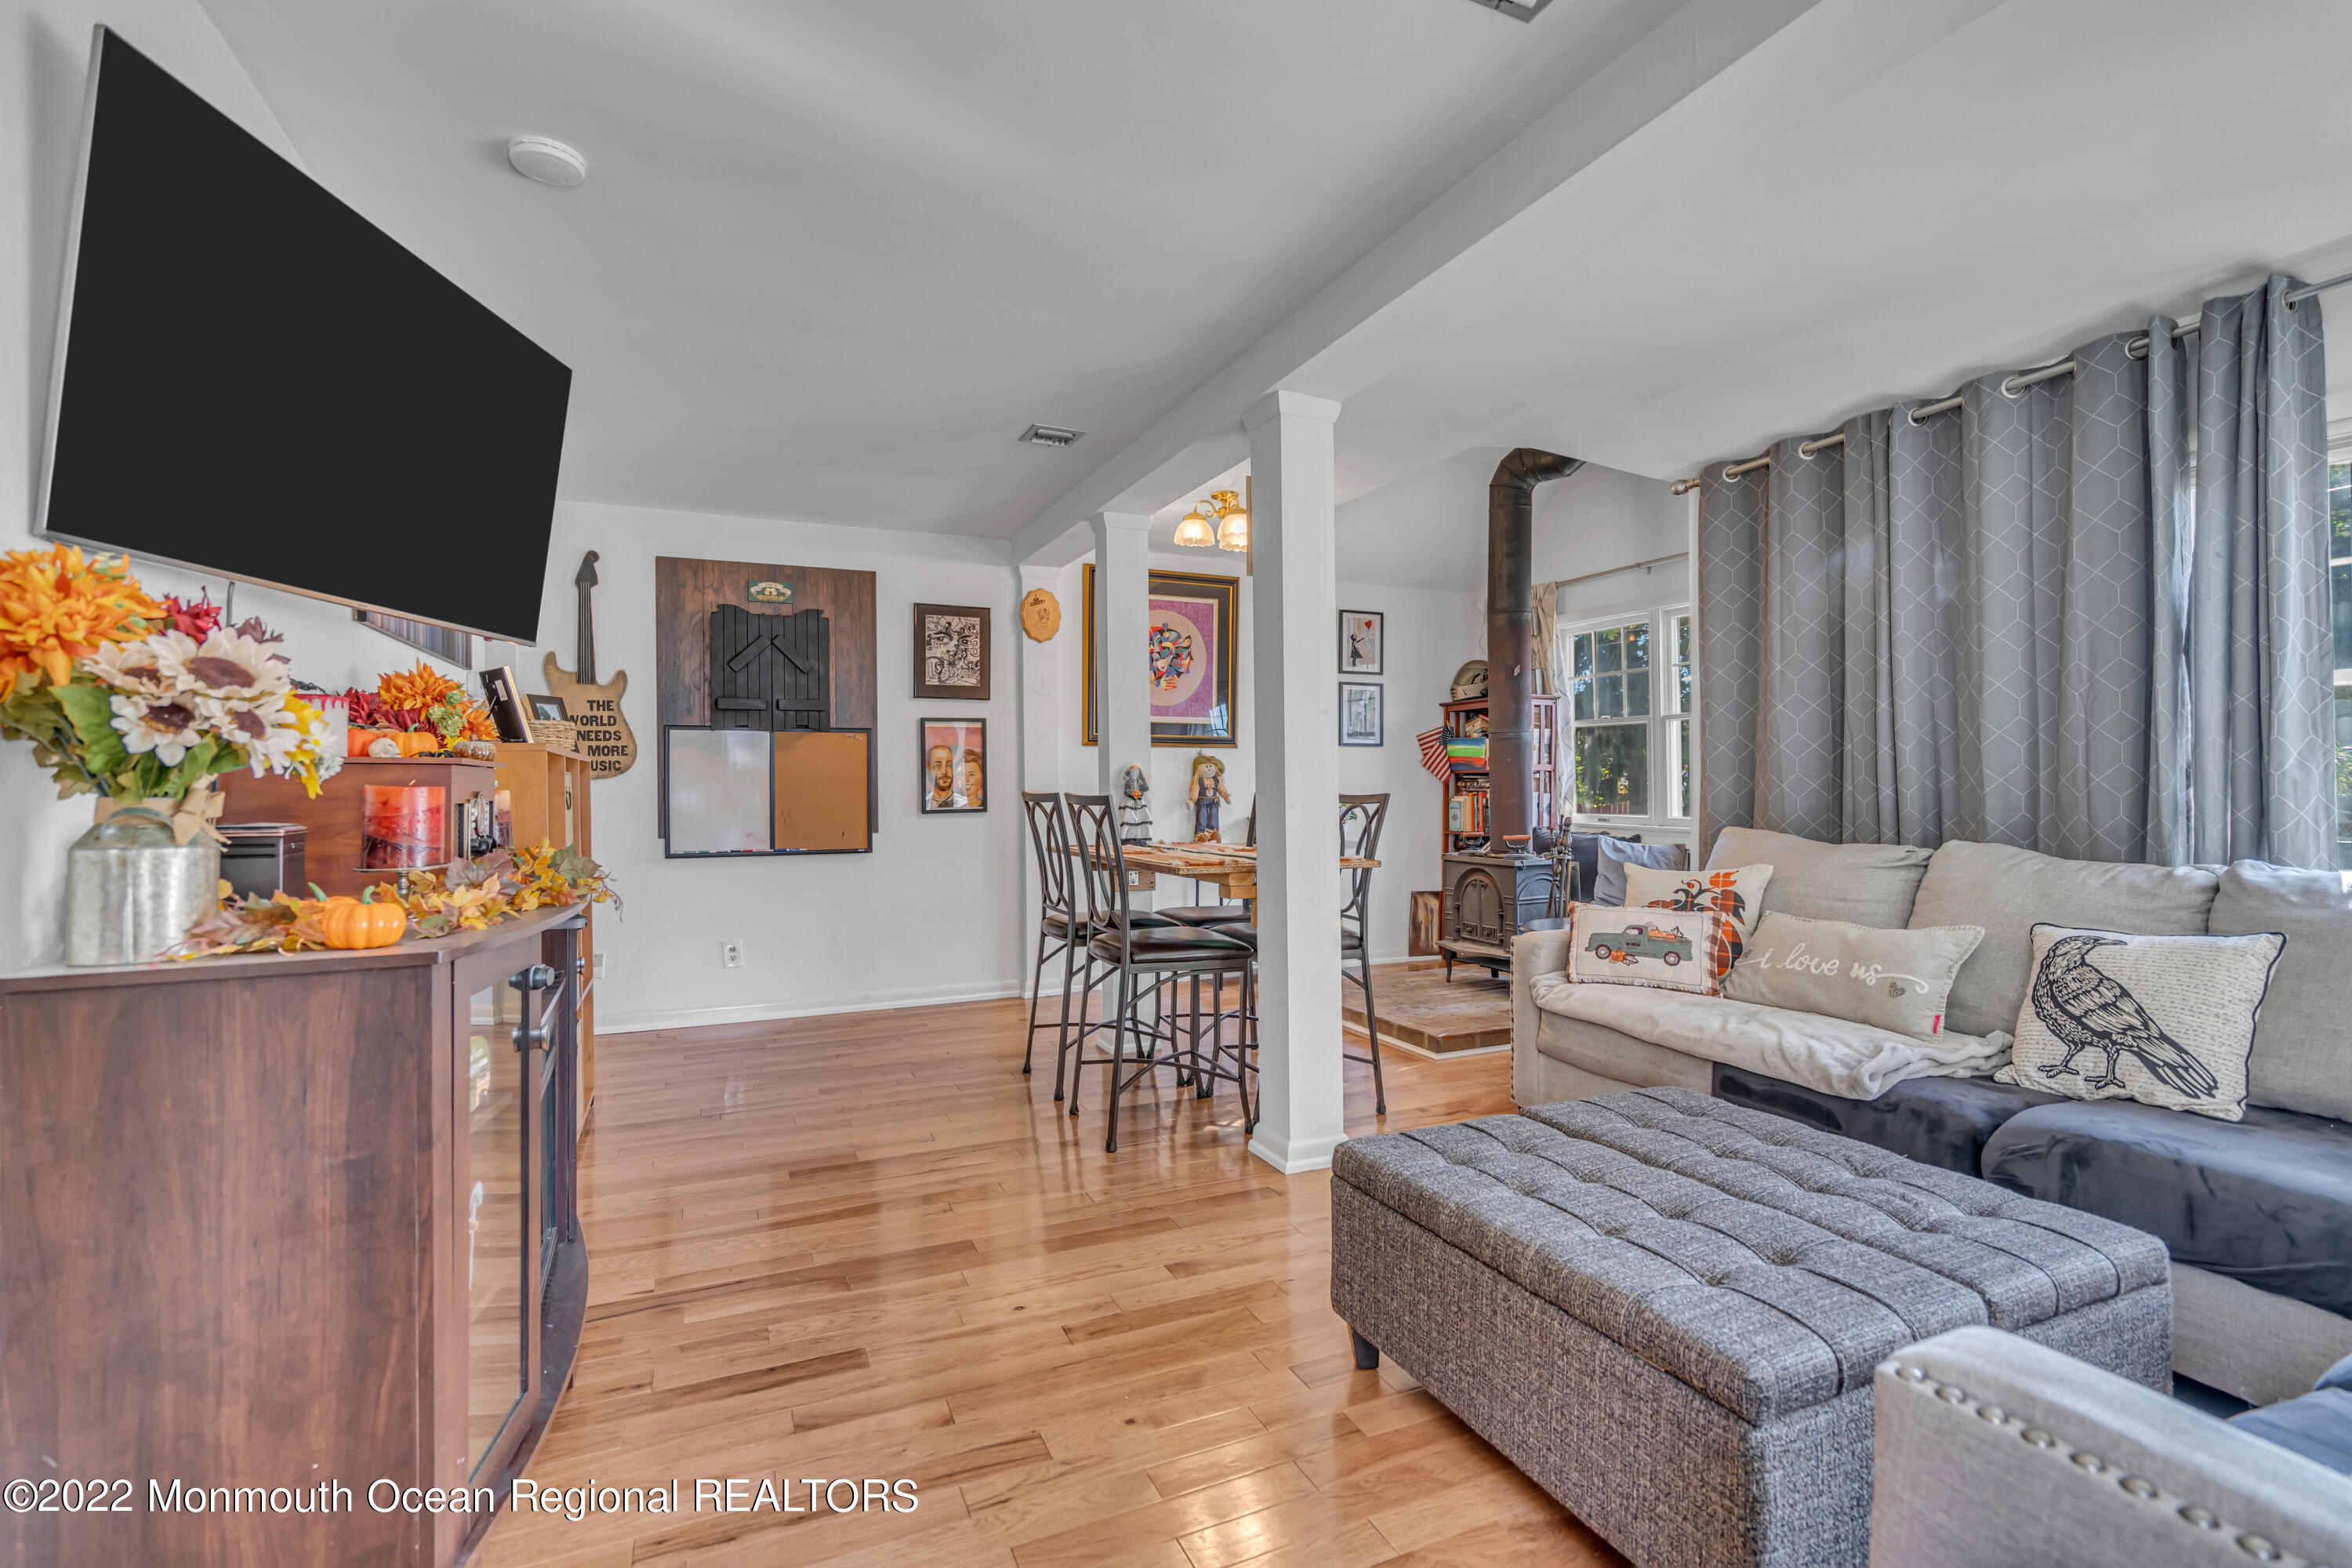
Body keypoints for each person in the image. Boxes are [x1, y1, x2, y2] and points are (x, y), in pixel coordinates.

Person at [1188, 753, 1230, 841]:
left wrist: (1226, 796)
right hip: (1202, 802)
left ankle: (1213, 833)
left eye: (1211, 766)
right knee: (1202, 818)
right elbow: (1195, 790)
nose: (1209, 769)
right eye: (1206, 767)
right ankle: (1201, 835)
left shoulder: (1216, 780)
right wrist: (1192, 800)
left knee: (1214, 817)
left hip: (1213, 802)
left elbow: (1221, 789)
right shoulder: (1199, 780)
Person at [927, 742, 957, 808]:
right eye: (938, 766)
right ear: (928, 769)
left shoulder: (963, 804)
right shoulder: (925, 803)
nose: (944, 772)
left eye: (949, 765)